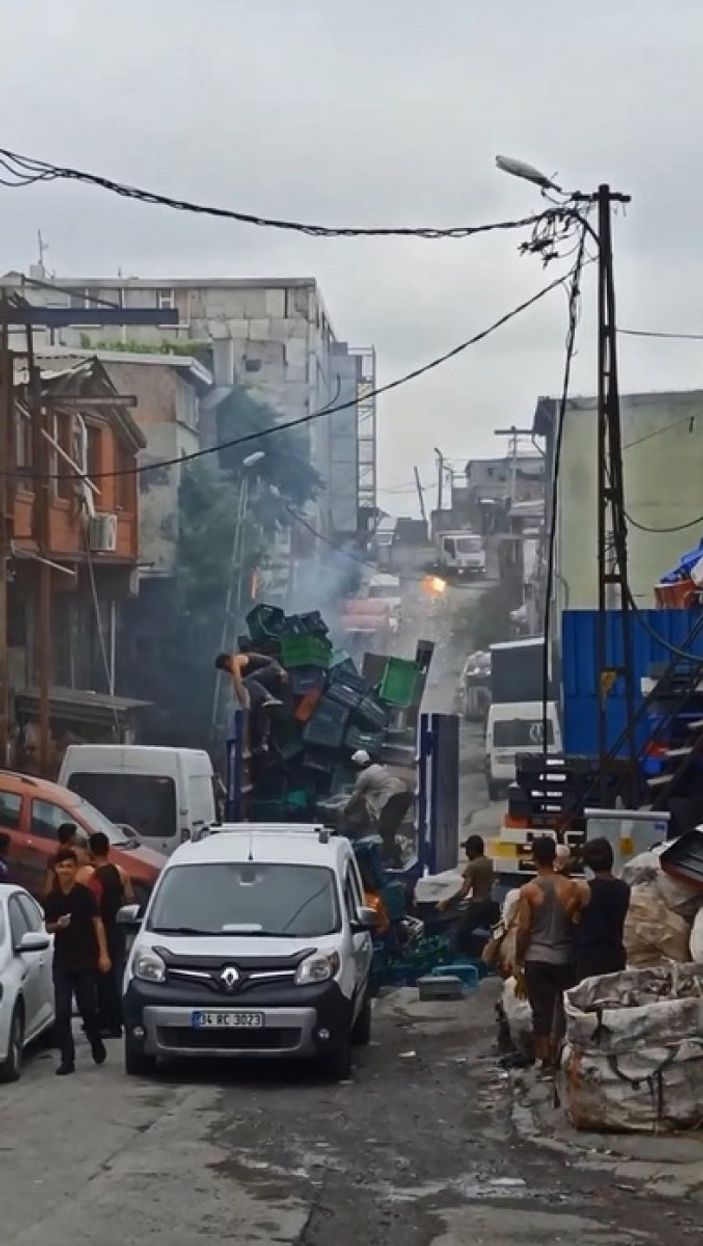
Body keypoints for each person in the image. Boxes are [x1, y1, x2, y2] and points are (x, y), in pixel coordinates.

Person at [514, 836, 580, 1071]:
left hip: (537, 958)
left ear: (533, 857)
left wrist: (518, 960)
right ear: (554, 857)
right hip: (565, 957)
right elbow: (576, 920)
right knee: (563, 1009)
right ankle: (562, 1053)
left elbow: (523, 929)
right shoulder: (571, 887)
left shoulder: (529, 890)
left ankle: (544, 1060)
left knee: (541, 1011)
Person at [43, 848, 110, 1075]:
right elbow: (48, 927)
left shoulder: (85, 894)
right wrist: (58, 925)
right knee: (62, 1013)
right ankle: (67, 1059)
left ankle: (95, 1041)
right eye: (61, 866)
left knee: (88, 1008)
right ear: (56, 869)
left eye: (69, 866)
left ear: (75, 869)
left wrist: (103, 954)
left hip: (85, 960)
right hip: (63, 961)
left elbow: (97, 923)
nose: (65, 870)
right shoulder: (52, 898)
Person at [89, 832, 134, 1037]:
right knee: (118, 973)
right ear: (108, 849)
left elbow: (93, 906)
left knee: (103, 978)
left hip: (102, 929)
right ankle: (121, 1018)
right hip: (119, 927)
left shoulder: (94, 877)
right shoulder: (119, 871)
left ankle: (108, 1022)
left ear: (91, 850)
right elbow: (130, 897)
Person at [572, 837, 630, 981]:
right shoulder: (624, 888)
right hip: (615, 954)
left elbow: (570, 916)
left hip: (590, 957)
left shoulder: (584, 889)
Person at [344, 750, 412, 862]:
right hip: (404, 795)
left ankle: (393, 859)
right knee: (389, 830)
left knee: (385, 830)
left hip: (393, 798)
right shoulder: (378, 768)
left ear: (358, 764)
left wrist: (347, 809)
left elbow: (355, 795)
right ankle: (394, 856)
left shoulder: (364, 775)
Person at [437, 835, 499, 954]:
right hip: (492, 905)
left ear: (473, 851)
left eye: (467, 850)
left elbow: (464, 891)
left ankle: (454, 957)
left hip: (478, 906)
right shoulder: (492, 863)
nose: (466, 853)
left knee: (459, 933)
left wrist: (447, 903)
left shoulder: (473, 866)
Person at [43, 823, 95, 896]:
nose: (76, 836)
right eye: (74, 834)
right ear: (71, 838)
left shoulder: (66, 854)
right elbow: (49, 882)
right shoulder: (57, 857)